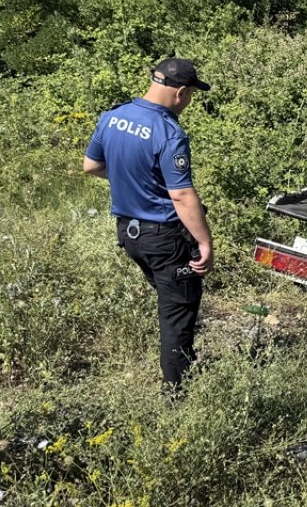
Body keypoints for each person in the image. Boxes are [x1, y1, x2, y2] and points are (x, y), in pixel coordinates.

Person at [83, 58, 215, 394]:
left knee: (170, 299)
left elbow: (91, 165)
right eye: (189, 97)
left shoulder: (112, 117)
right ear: (180, 92)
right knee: (177, 314)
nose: (187, 103)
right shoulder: (169, 132)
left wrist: (136, 180)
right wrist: (205, 244)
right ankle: (177, 396)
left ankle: (180, 369)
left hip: (130, 234)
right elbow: (183, 196)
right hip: (164, 237)